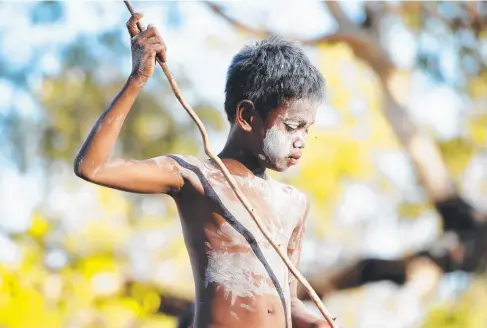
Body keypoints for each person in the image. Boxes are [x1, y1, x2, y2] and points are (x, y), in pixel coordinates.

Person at [74, 12, 329, 328]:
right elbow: (93, 167)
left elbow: (289, 301)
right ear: (247, 116)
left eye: (308, 129)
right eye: (292, 126)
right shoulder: (194, 176)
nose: (301, 141)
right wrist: (138, 78)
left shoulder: (294, 202)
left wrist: (316, 323)